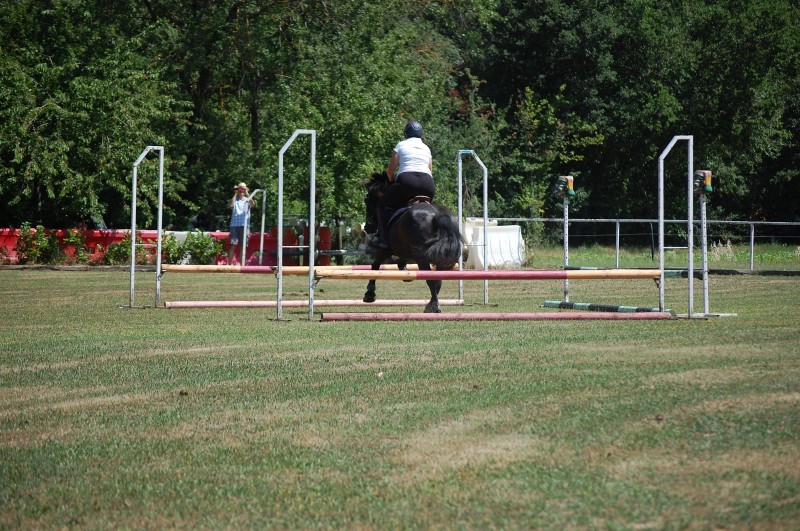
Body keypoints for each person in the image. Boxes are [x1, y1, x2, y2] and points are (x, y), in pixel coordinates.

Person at [370, 121, 435, 250]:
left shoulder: (400, 145)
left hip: (407, 181)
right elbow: (430, 169)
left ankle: (383, 239)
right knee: (429, 210)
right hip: (428, 184)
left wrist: (390, 182)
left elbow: (390, 171)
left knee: (381, 205)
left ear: (406, 133)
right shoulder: (426, 148)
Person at [228, 182, 255, 264]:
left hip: (244, 225)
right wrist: (235, 193)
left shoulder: (247, 200)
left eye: (243, 188)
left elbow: (253, 204)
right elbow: (231, 206)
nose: (241, 190)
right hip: (234, 225)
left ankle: (242, 265)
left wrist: (247, 193)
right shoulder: (235, 199)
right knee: (233, 245)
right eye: (240, 188)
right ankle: (229, 265)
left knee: (243, 247)